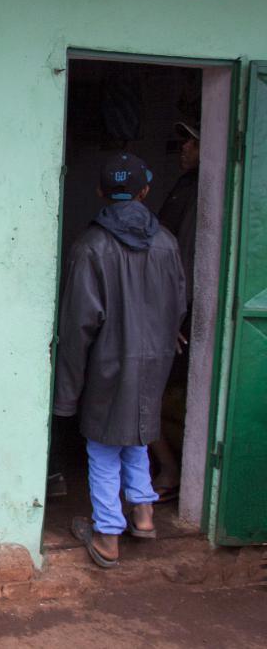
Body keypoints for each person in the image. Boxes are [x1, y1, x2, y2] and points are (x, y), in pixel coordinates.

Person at [54, 153, 187, 568]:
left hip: (110, 362)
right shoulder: (166, 242)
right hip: (156, 358)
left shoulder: (90, 246)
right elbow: (178, 304)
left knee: (103, 446)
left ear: (99, 193)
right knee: (137, 433)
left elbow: (78, 326)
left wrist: (66, 393)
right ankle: (144, 514)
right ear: (146, 191)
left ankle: (108, 533)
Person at [149, 121, 201, 501]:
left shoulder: (199, 190)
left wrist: (173, 317)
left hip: (176, 316)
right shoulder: (187, 185)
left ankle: (171, 473)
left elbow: (184, 260)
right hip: (170, 311)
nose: (183, 146)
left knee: (151, 399)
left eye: (192, 141)